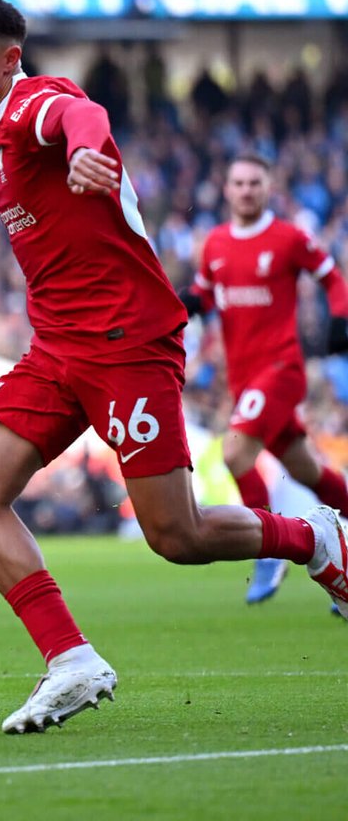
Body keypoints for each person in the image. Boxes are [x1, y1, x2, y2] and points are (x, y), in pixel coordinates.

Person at [0, 0, 348, 735]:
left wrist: (92, 150)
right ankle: (71, 660)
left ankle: (314, 536)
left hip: (127, 344)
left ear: (9, 59)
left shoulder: (35, 104)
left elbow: (77, 115)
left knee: (176, 537)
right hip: (57, 348)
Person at [182, 153, 348, 605]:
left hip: (281, 370)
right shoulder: (214, 243)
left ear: (268, 187)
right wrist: (182, 307)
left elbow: (333, 278)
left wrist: (340, 319)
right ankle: (344, 554)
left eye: (255, 182)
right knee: (307, 469)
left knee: (234, 453)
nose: (246, 190)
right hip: (244, 378)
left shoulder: (289, 237)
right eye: (238, 183)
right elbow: (202, 294)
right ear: (227, 190)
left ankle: (269, 548)